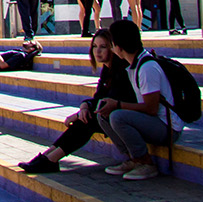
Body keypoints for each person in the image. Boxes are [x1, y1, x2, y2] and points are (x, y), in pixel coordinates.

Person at [18, 28, 132, 173]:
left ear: (113, 48)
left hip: (125, 116)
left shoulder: (121, 70)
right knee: (85, 117)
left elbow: (109, 101)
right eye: (95, 47)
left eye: (103, 47)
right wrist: (84, 106)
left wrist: (81, 112)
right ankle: (47, 157)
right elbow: (98, 98)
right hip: (111, 115)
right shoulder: (108, 69)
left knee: (86, 120)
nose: (98, 51)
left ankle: (50, 159)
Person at [96, 19, 185, 180]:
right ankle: (132, 158)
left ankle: (146, 163)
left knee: (117, 116)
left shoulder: (146, 68)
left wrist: (117, 105)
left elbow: (151, 108)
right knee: (104, 115)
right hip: (153, 121)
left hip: (167, 127)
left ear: (119, 47)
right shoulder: (132, 65)